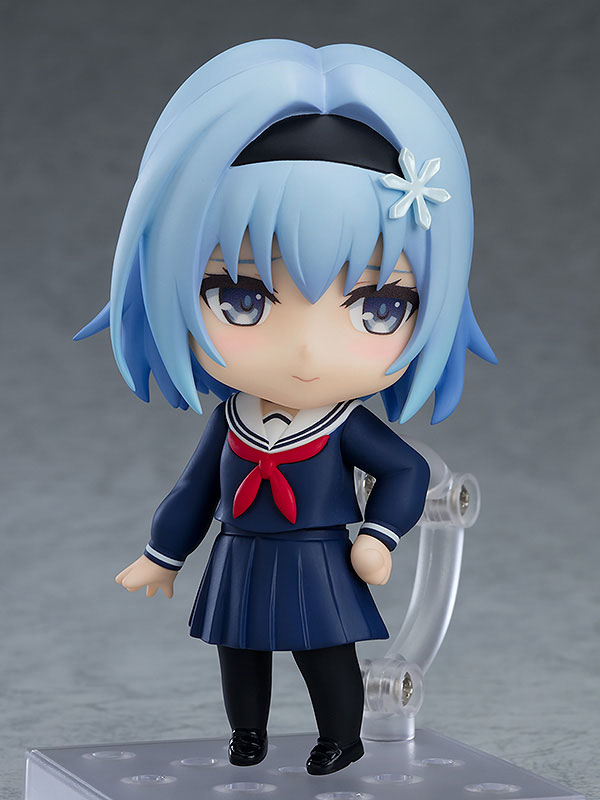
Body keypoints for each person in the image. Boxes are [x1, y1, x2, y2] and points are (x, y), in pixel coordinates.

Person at [76, 39, 495, 775]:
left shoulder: (344, 423)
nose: (305, 351)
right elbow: (194, 490)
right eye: (240, 298)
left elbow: (404, 473)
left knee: (325, 651)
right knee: (238, 651)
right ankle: (248, 735)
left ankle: (343, 736)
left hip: (317, 557)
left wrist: (380, 537)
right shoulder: (230, 418)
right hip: (240, 551)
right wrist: (161, 555)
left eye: (378, 305)